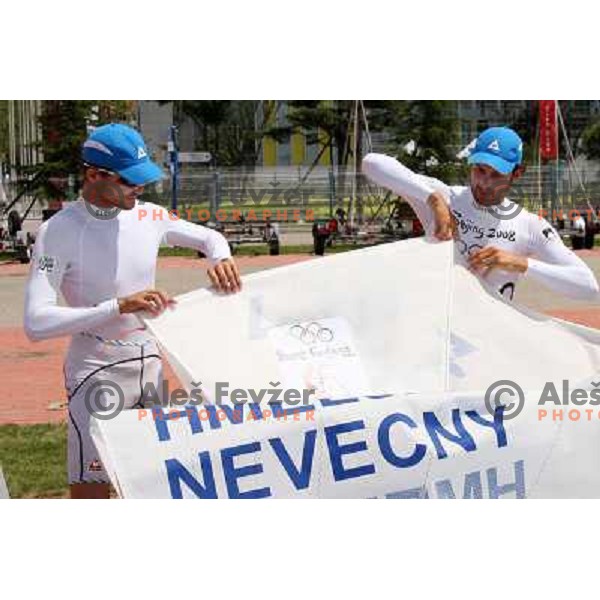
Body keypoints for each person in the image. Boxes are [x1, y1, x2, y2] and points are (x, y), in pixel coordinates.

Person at [23, 123, 242, 499]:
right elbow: (35, 321)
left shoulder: (150, 216)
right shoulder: (57, 232)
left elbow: (209, 236)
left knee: (159, 483)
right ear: (94, 174)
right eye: (130, 182)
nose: (139, 189)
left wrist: (220, 256)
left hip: (150, 365)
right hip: (95, 372)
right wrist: (118, 306)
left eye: (142, 180)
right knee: (92, 489)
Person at [362, 126, 599, 302]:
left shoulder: (530, 225)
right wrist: (432, 199)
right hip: (436, 334)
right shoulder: (445, 196)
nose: (484, 183)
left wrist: (520, 263)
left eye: (496, 174)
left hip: (489, 343)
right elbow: (371, 163)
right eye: (479, 170)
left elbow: (588, 287)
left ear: (517, 173)